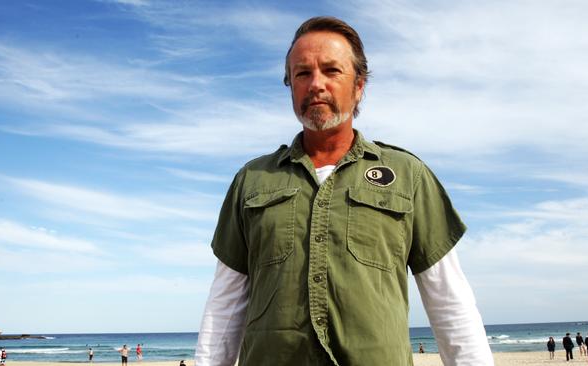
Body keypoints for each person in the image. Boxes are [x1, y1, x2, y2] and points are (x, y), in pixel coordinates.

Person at [195, 15, 493, 366]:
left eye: (332, 70)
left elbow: (448, 299)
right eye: (302, 73)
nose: (316, 84)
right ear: (290, 85)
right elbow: (225, 303)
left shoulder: (408, 174)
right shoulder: (252, 179)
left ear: (359, 85)